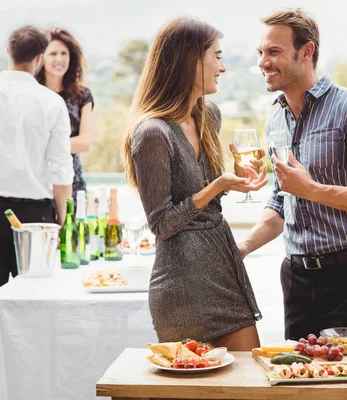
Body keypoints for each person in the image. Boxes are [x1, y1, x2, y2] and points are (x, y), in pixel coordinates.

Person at [237, 8, 347, 341]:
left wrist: (311, 189)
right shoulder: (275, 121)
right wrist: (242, 247)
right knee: (296, 383)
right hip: (296, 277)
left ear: (306, 51)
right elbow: (283, 198)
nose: (263, 62)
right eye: (261, 53)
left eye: (274, 52)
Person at [122, 17, 268, 350]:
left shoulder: (208, 115)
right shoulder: (152, 134)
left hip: (222, 272)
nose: (223, 67)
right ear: (190, 60)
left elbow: (201, 186)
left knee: (248, 382)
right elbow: (161, 224)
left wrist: (232, 178)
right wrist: (216, 186)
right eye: (216, 56)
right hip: (181, 288)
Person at [0, 25, 73, 286]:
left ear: (8, 50)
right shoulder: (52, 102)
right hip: (34, 216)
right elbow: (61, 169)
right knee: (33, 300)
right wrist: (63, 218)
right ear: (40, 58)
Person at [36, 28, 94, 201]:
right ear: (41, 58)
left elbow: (85, 142)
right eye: (53, 53)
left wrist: (40, 147)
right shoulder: (33, 95)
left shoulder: (82, 95)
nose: (59, 59)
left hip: (72, 184)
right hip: (38, 183)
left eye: (64, 53)